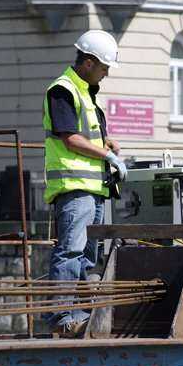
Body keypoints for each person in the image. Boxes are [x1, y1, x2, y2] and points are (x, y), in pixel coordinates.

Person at [42, 29, 128, 334]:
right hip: (74, 187)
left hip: (93, 189)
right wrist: (106, 156)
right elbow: (70, 138)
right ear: (89, 62)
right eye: (104, 68)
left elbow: (86, 136)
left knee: (88, 257)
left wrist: (108, 144)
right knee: (70, 251)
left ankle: (79, 314)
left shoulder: (86, 92)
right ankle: (62, 318)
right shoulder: (63, 90)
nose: (105, 75)